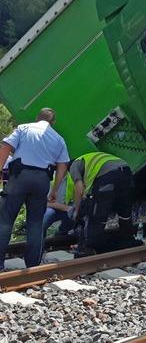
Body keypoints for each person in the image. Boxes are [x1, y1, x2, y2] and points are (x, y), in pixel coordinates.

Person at [0, 108, 69, 268]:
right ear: (53, 122)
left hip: (19, 177)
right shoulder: (59, 139)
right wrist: (54, 190)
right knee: (36, 222)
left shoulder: (23, 128)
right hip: (42, 180)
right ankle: (32, 265)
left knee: (5, 221)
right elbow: (62, 166)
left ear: (37, 118)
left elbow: (5, 147)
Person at [68, 152, 137, 256]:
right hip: (126, 170)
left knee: (98, 213)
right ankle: (128, 240)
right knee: (124, 210)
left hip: (108, 176)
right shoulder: (90, 159)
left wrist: (76, 211)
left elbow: (79, 188)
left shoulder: (74, 165)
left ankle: (90, 248)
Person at [43, 171, 75, 236]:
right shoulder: (50, 177)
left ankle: (61, 236)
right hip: (52, 208)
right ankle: (39, 242)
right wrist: (67, 208)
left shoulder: (73, 176)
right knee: (44, 220)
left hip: (68, 208)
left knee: (73, 216)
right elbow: (45, 202)